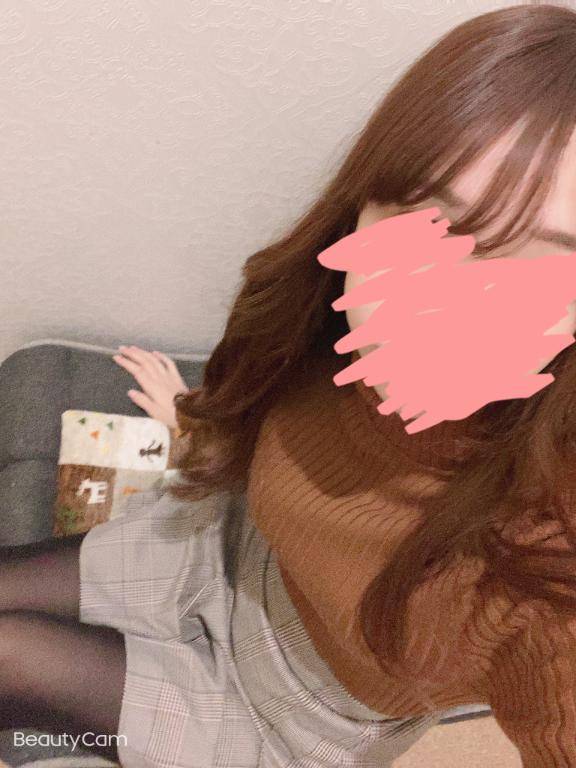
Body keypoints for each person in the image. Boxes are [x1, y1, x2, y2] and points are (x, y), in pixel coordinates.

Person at [3, 3, 576, 766]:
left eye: (542, 263)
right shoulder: (317, 328)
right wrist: (195, 422)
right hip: (218, 547)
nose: (456, 299)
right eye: (433, 221)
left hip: (287, 722)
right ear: (364, 212)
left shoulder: (548, 545)